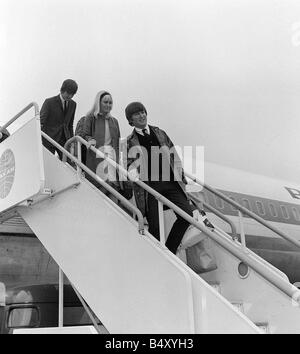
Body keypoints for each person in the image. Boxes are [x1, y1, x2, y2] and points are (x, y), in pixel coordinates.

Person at [122, 101, 196, 254]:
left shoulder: (159, 132)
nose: (142, 115)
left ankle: (169, 250)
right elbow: (129, 164)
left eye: (143, 112)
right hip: (150, 187)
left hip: (170, 182)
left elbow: (173, 153)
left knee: (187, 216)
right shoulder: (130, 141)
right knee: (154, 227)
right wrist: (134, 174)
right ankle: (158, 257)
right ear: (131, 120)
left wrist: (181, 176)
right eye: (137, 114)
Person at [83, 91, 121, 193]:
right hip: (97, 158)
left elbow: (118, 144)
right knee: (101, 189)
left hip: (112, 160)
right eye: (105, 102)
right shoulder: (91, 117)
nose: (108, 105)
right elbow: (85, 134)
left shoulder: (114, 121)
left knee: (113, 191)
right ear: (98, 102)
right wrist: (90, 140)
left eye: (110, 102)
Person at [40, 79, 78, 159]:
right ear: (62, 90)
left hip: (65, 140)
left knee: (68, 165)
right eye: (68, 93)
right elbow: (41, 122)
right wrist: (43, 139)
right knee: (49, 164)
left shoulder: (73, 104)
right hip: (49, 140)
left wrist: (72, 140)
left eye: (72, 94)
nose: (70, 96)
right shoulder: (49, 102)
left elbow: (70, 125)